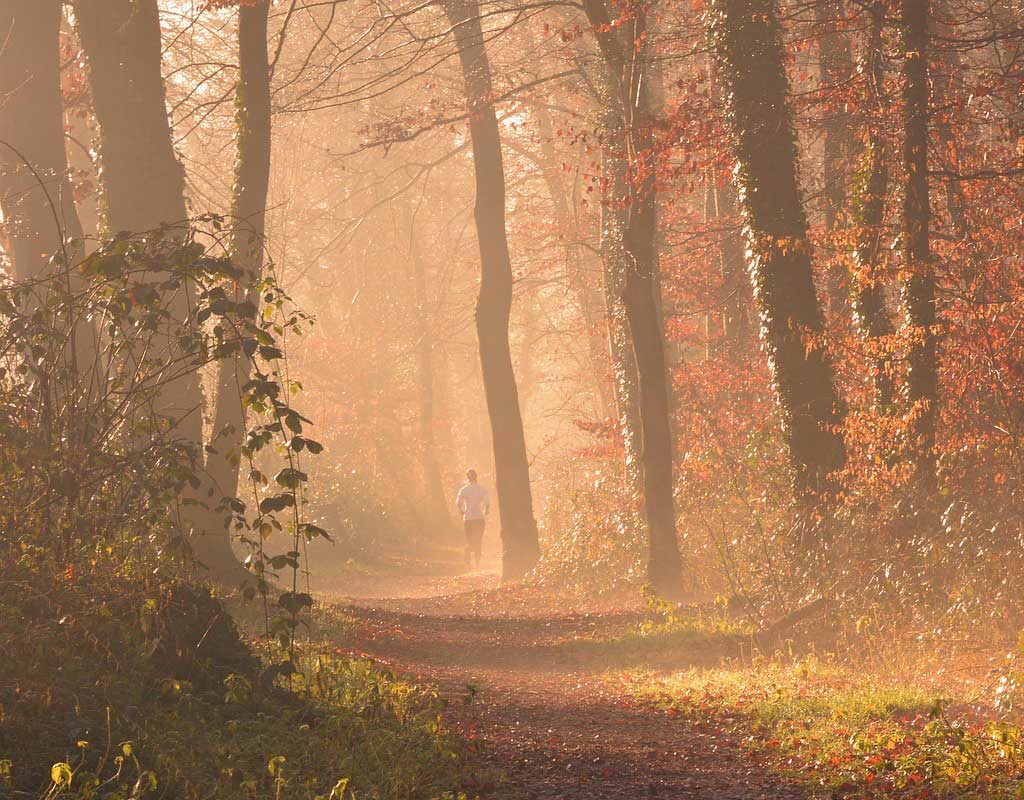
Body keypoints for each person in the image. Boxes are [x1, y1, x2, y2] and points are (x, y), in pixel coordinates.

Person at [455, 469, 489, 567]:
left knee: (470, 540)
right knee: (478, 540)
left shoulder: (464, 489)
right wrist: (486, 509)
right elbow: (487, 500)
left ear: (467, 478)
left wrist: (462, 510)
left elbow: (458, 502)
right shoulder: (481, 489)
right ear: (476, 477)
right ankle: (477, 562)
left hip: (468, 519)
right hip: (479, 519)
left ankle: (467, 558)